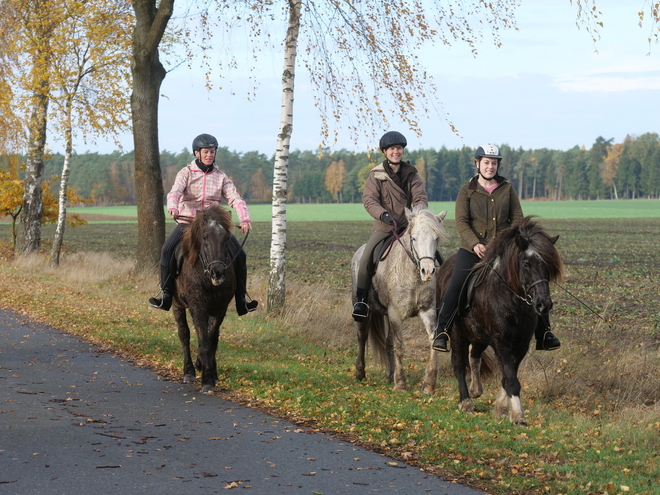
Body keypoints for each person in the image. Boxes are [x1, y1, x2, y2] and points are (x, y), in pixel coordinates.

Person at [431, 144, 560, 352]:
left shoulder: (507, 189)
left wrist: (507, 242)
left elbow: (518, 219)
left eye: (494, 163)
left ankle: (544, 332)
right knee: (455, 285)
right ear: (478, 164)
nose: (490, 166)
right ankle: (442, 331)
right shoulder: (467, 191)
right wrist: (475, 243)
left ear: (498, 165)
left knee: (534, 278)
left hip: (504, 249)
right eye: (486, 163)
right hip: (473, 249)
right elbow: (462, 222)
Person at [149, 133, 258, 316]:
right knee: (167, 250)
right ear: (197, 153)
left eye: (212, 152)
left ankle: (241, 299)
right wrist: (173, 206)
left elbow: (235, 198)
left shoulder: (221, 176)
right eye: (206, 152)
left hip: (213, 225)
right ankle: (166, 295)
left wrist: (244, 217)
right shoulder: (186, 173)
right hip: (188, 223)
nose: (209, 155)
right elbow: (174, 192)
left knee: (241, 255)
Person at [352, 130, 429, 322]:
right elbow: (369, 200)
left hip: (408, 226)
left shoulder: (412, 174)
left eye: (399, 148)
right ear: (385, 151)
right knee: (366, 258)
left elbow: (420, 196)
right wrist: (383, 214)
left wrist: (418, 214)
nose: (396, 151)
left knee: (435, 256)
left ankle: (439, 297)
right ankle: (361, 301)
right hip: (385, 227)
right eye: (392, 148)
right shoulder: (376, 175)